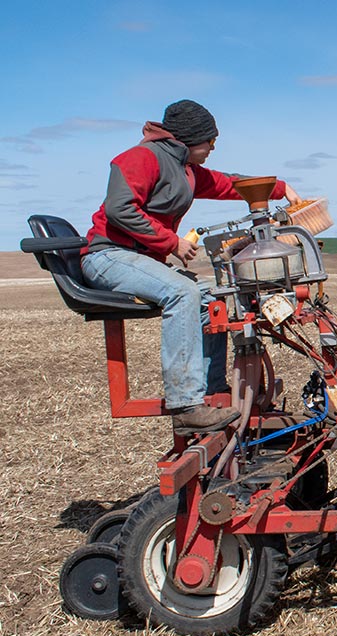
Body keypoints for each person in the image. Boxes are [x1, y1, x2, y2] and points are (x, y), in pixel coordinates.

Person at [80, 99, 302, 434]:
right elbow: (119, 210)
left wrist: (279, 188)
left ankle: (212, 390)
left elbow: (227, 183)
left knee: (211, 297)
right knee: (182, 292)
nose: (214, 146)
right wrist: (172, 243)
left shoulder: (186, 170)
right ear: (189, 138)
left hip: (137, 259)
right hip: (108, 256)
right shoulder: (141, 158)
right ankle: (185, 405)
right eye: (210, 139)